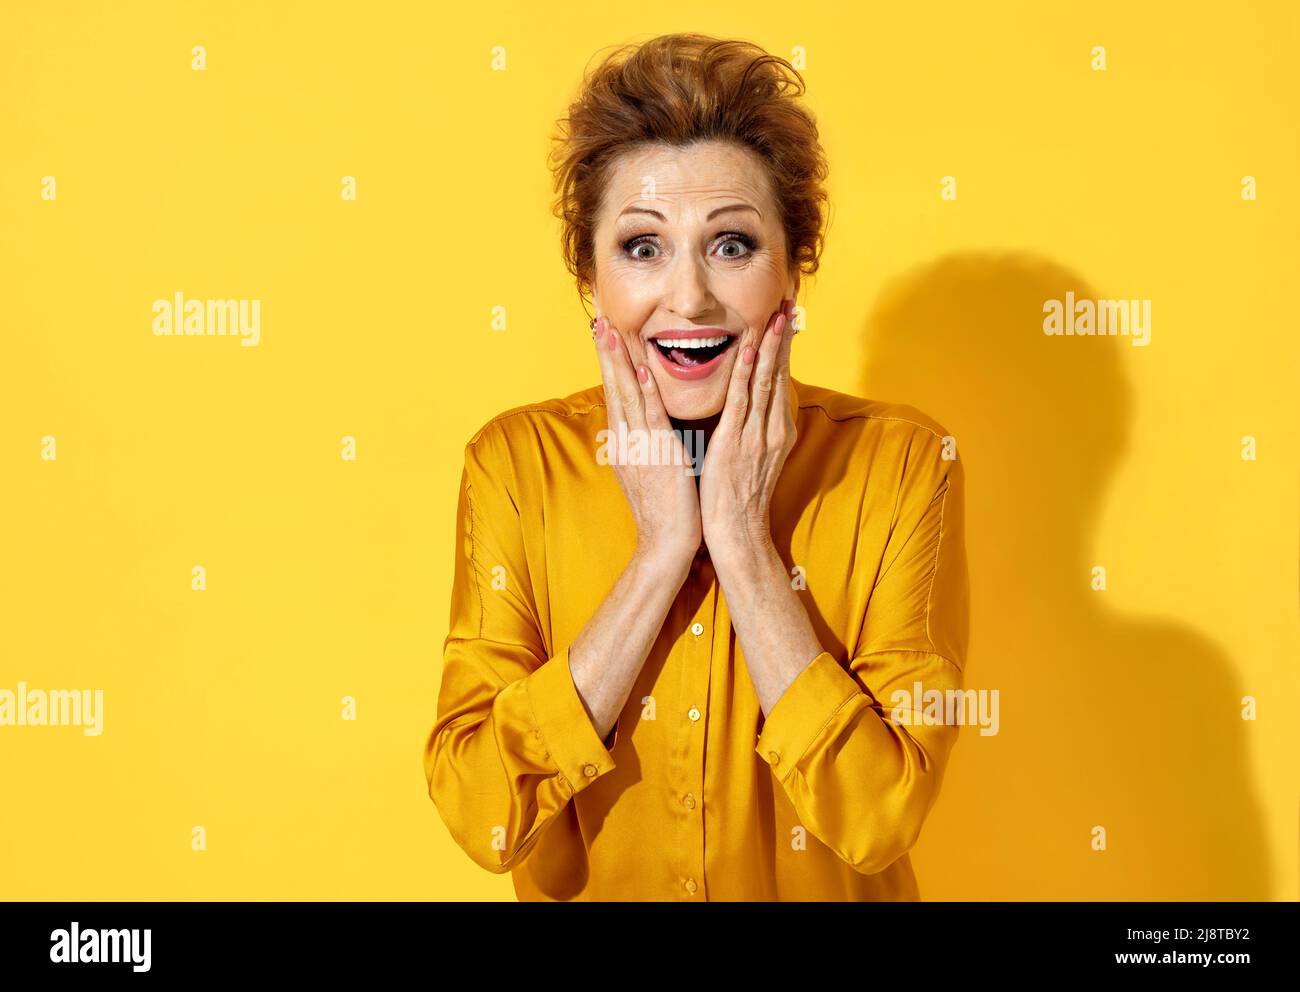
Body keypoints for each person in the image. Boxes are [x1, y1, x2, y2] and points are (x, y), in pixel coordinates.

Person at [423, 32, 969, 900]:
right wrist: (659, 556)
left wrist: (743, 544)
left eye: (731, 245)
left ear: (793, 271)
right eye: (642, 247)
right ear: (589, 278)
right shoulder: (515, 467)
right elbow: (484, 811)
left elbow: (879, 818)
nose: (689, 298)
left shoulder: (899, 465)